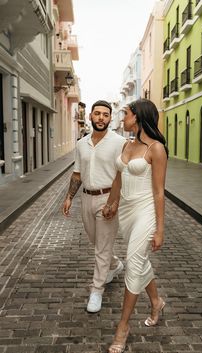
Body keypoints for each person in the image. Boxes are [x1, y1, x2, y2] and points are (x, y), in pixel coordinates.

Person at [102, 99, 168, 353]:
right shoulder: (127, 144)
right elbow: (117, 178)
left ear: (138, 118)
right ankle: (156, 301)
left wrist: (160, 230)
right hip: (127, 213)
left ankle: (123, 326)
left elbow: (160, 192)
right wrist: (111, 204)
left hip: (146, 212)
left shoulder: (156, 149)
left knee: (133, 262)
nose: (122, 118)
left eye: (125, 114)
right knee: (141, 260)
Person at [62, 100, 126, 313]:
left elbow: (121, 174)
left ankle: (96, 290)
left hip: (108, 197)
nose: (101, 118)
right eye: (97, 114)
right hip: (86, 198)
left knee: (101, 247)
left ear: (110, 118)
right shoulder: (82, 144)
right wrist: (70, 197)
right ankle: (115, 264)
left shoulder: (119, 142)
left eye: (105, 115)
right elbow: (77, 172)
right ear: (90, 116)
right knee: (96, 240)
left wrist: (115, 202)